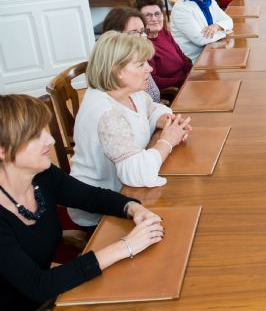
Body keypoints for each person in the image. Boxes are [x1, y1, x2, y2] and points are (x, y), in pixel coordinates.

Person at [0, 94, 164, 310]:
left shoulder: (42, 175)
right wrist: (126, 246)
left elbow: (91, 197)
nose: (50, 140)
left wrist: (133, 208)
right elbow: (38, 285)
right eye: (35, 135)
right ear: (2, 150)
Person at [69, 32, 191, 227]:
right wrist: (167, 141)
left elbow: (151, 107)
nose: (150, 68)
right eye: (141, 64)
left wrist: (163, 119)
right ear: (117, 70)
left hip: (126, 192)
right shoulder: (107, 113)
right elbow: (137, 174)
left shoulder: (129, 92)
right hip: (103, 205)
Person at [170, 0, 234, 63]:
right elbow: (201, 40)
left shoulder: (208, 0)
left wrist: (216, 26)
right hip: (193, 60)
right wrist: (225, 32)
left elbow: (229, 21)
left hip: (211, 50)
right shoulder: (181, 9)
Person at [102, 7, 163, 102]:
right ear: (116, 36)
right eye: (134, 32)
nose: (142, 38)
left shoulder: (139, 55)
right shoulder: (118, 69)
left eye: (143, 31)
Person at [135, 0, 192, 89]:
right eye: (148, 15)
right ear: (140, 19)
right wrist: (182, 81)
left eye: (157, 13)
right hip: (174, 90)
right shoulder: (143, 43)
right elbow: (153, 81)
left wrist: (192, 73)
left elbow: (183, 57)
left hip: (186, 81)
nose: (154, 19)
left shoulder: (163, 32)